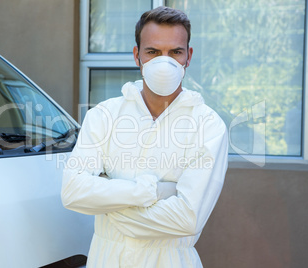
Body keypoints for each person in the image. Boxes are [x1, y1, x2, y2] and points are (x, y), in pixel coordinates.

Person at [62, 6, 228, 268]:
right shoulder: (104, 115)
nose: (165, 62)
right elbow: (73, 193)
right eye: (153, 52)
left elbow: (187, 218)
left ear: (189, 56)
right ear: (137, 55)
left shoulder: (207, 125)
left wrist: (108, 201)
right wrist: (150, 191)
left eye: (175, 52)